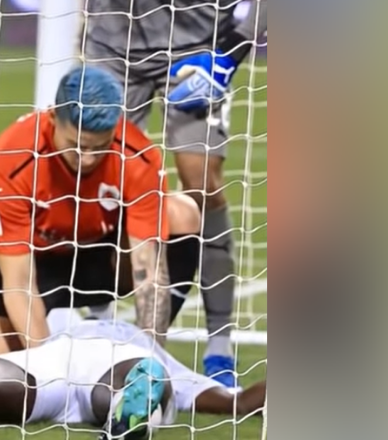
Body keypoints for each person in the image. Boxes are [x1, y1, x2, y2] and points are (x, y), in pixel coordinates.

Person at [0, 65, 203, 371]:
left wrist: (148, 363)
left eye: (99, 148)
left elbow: (148, 272)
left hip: (94, 254)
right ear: (53, 118)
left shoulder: (138, 157)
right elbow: (19, 282)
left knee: (182, 213)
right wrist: (50, 373)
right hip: (23, 263)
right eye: (77, 146)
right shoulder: (14, 158)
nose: (87, 159)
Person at [81, 0, 268, 388]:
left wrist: (233, 51)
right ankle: (96, 317)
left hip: (197, 47)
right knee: (99, 174)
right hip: (114, 44)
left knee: (200, 180)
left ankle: (219, 343)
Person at [0, 296, 266, 438]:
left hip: (55, 358)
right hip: (125, 361)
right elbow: (241, 402)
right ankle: (131, 412)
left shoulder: (63, 319)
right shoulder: (149, 348)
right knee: (141, 382)